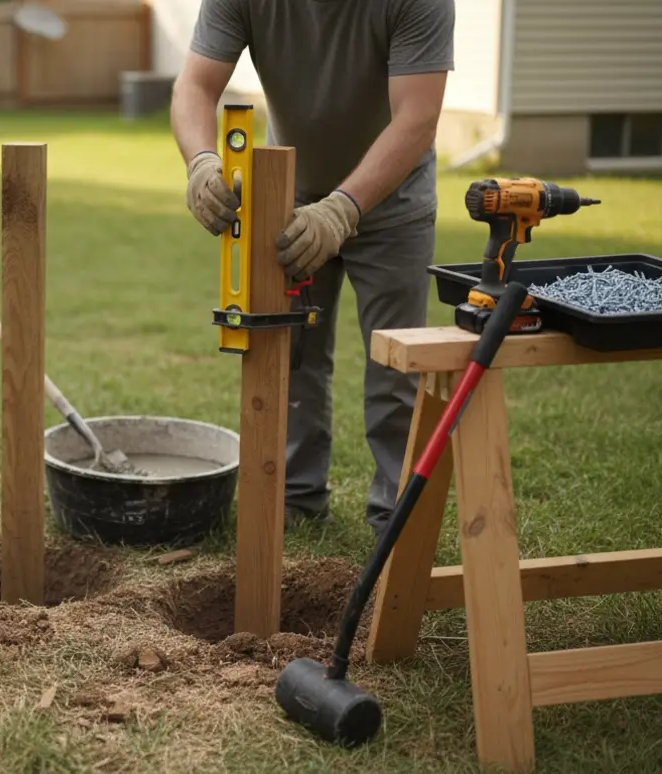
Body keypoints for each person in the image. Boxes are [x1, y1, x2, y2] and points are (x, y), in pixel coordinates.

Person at [170, 0, 454, 537]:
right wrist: (201, 160)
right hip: (290, 196)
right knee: (291, 355)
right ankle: (296, 501)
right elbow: (194, 86)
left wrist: (344, 207)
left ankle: (396, 523)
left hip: (392, 204)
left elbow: (417, 116)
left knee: (395, 367)